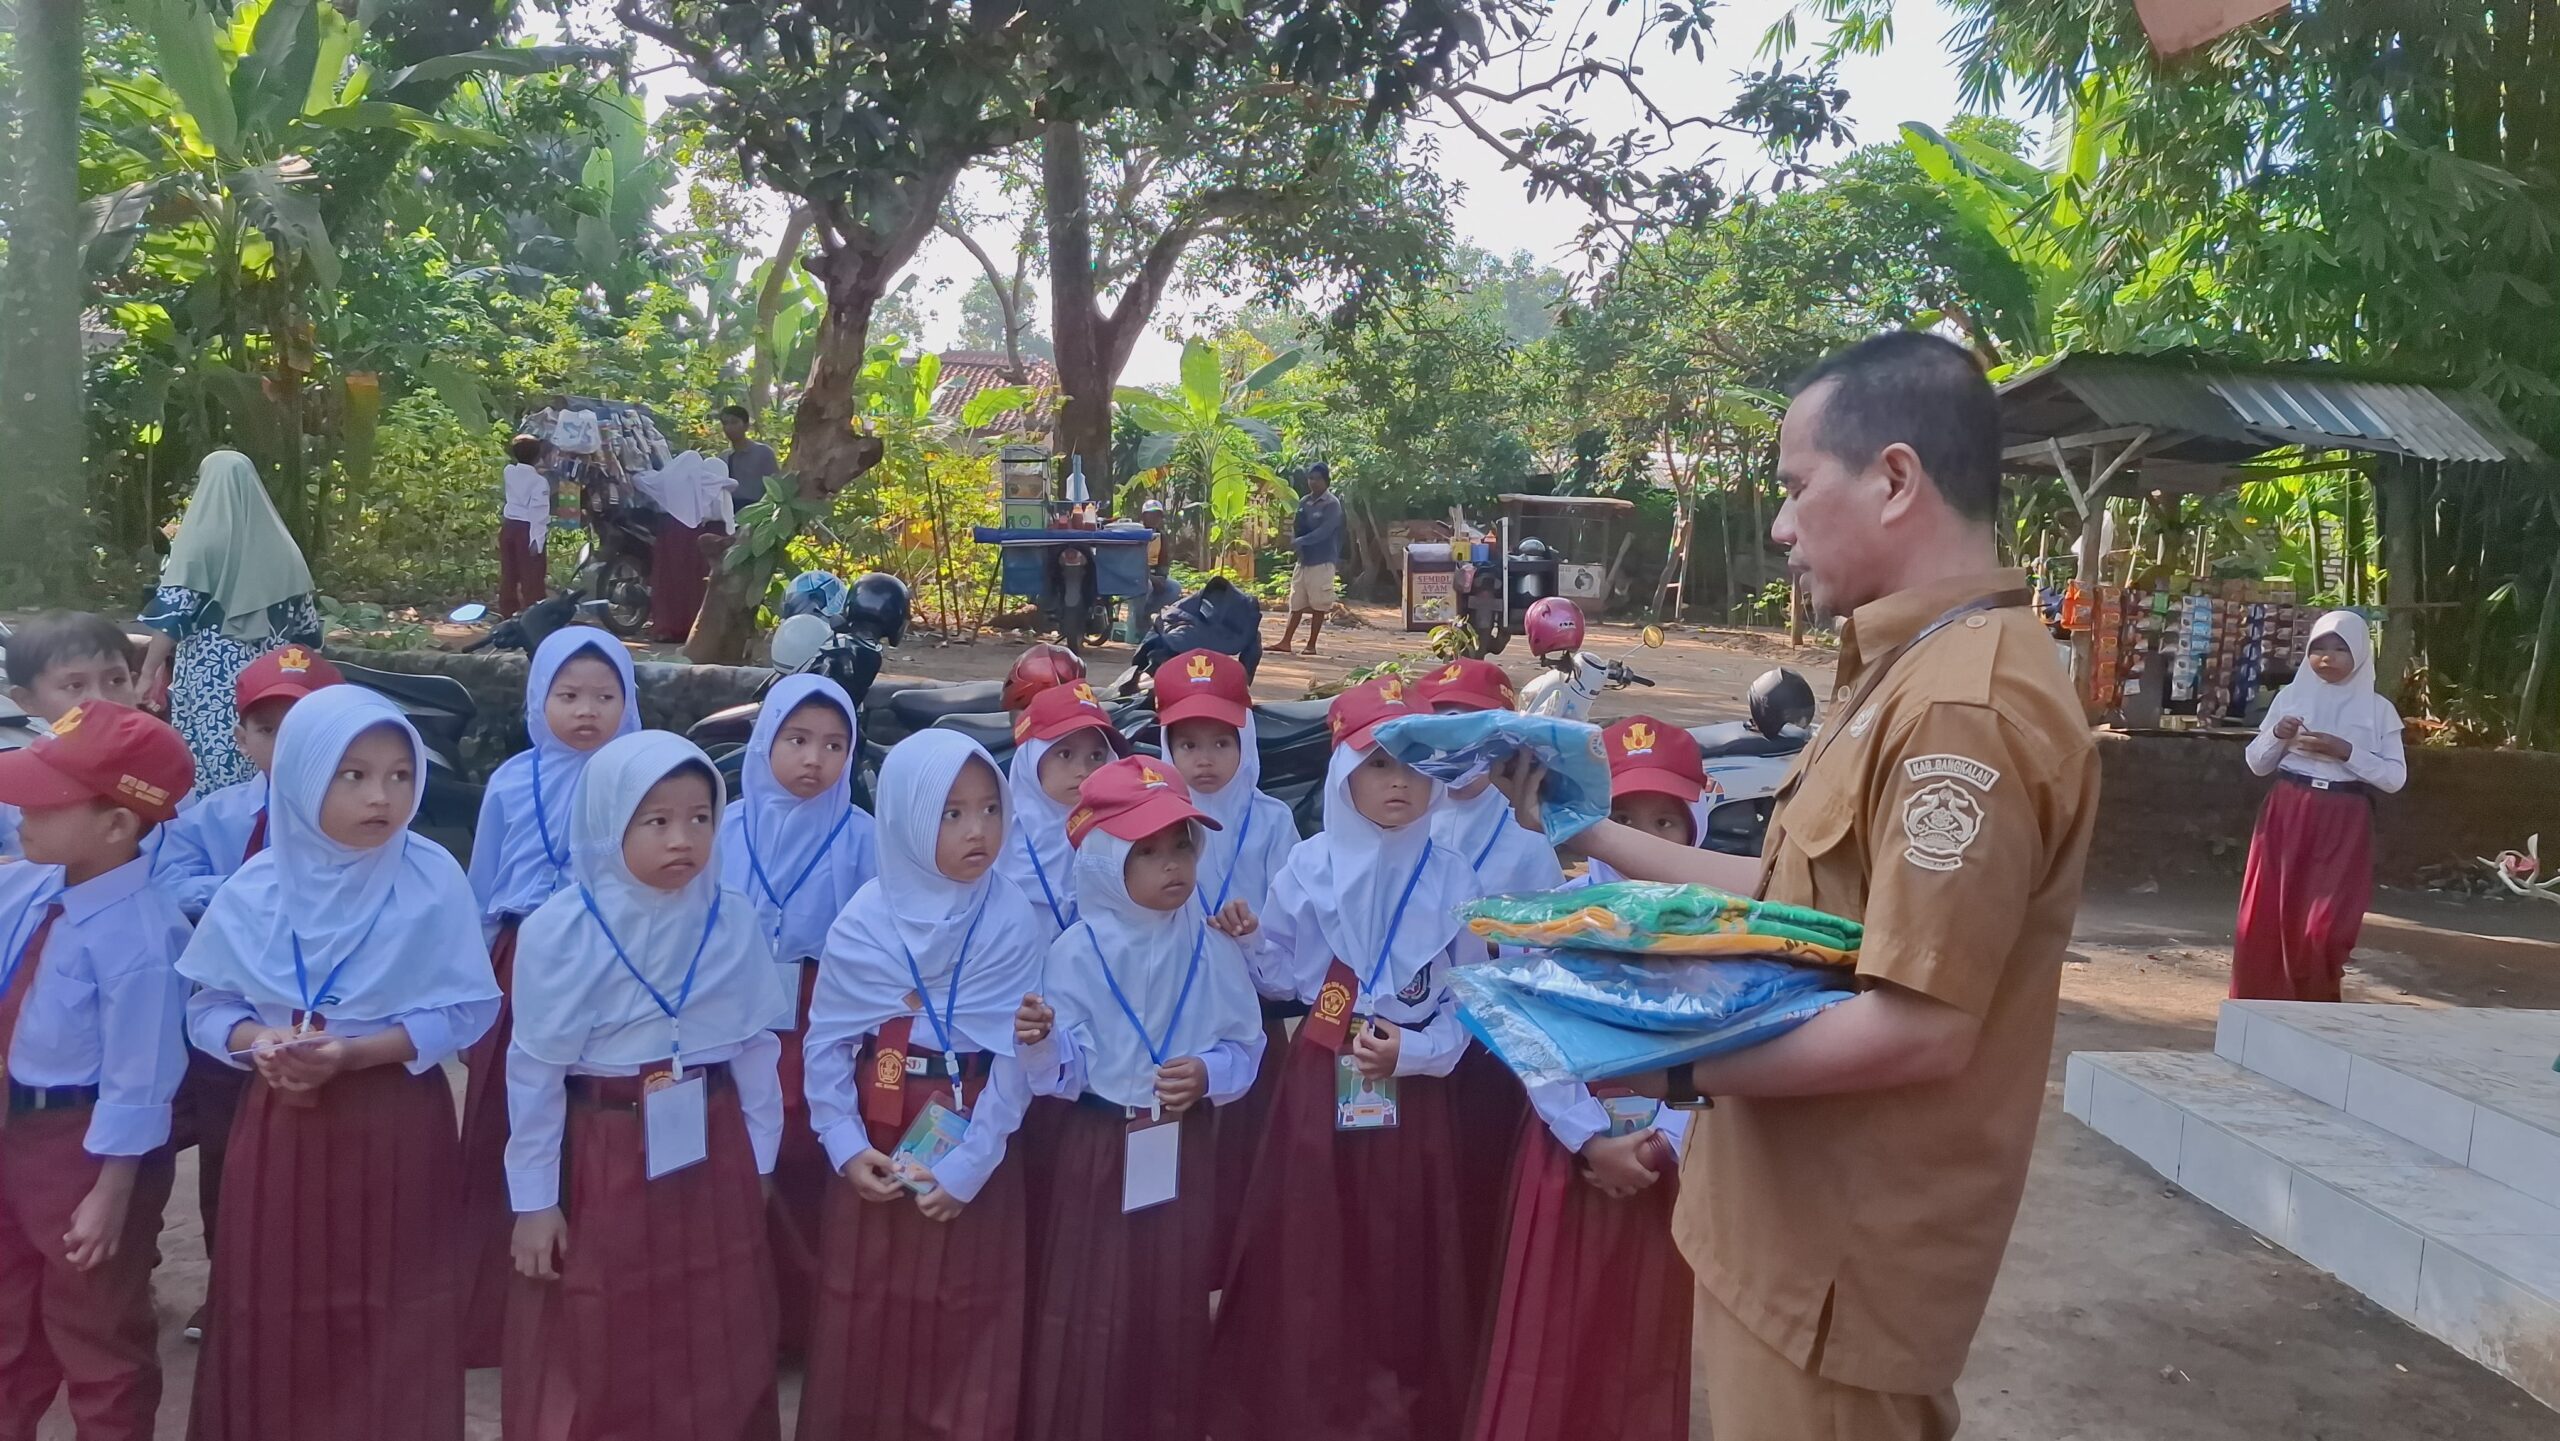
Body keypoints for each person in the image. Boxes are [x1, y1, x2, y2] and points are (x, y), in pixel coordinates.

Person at [1494, 331, 2098, 1440]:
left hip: (1843, 1255)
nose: (1777, 525)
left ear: (1895, 478)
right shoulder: (1908, 671)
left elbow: (1921, 1029)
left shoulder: (1964, 707)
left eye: (1792, 485)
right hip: (1782, 1223)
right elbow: (1789, 892)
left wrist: (1651, 1057)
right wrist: (1589, 835)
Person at [177, 686, 500, 1441]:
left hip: (394, 1119)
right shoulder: (257, 885)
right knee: (275, 1297)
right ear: (300, 775)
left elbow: (460, 1012)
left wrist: (355, 1051)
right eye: (351, 774)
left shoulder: (431, 879)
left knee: (399, 1304)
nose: (381, 796)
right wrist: (260, 1040)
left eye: (399, 774)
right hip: (283, 1122)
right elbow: (206, 1007)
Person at [1209, 676, 1486, 1441]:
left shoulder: (1454, 878)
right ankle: (1308, 1400)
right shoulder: (1309, 867)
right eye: (1378, 766)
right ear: (1343, 776)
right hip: (1319, 1075)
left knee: (1403, 1246)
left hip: (1412, 1087)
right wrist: (1247, 938)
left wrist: (1419, 1051)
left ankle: (1400, 1403)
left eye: (1416, 768)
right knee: (1311, 1242)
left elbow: (1469, 1001)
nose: (1399, 785)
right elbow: (1284, 979)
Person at [502, 732, 794, 1441]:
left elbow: (757, 1051)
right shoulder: (559, 930)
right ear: (608, 821)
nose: (682, 839)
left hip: (711, 1132)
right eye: (656, 820)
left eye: (700, 817)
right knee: (610, 1319)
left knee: (720, 1313)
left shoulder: (731, 916)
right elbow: (535, 1075)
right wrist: (535, 1202)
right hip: (609, 1141)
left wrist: (759, 1160)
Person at [794, 731, 1054, 1441]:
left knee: (969, 1302)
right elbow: (827, 1045)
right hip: (881, 1122)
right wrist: (845, 1145)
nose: (978, 831)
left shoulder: (1010, 918)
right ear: (907, 819)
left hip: (977, 1121)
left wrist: (973, 1162)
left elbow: (1016, 1057)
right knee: (869, 1300)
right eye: (951, 813)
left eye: (989, 808)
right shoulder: (863, 924)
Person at [1464, 714, 1700, 1441]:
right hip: (1564, 1166)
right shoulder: (1552, 923)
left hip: (1667, 1176)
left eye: (1666, 820)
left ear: (1699, 825)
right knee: (1548, 1330)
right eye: (1621, 817)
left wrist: (1665, 1140)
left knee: (1642, 1340)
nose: (1643, 840)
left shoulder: (1723, 936)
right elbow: (1535, 1044)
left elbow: (1724, 1048)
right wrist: (1589, 1137)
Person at [1017, 757, 1266, 1441]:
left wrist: (1208, 1074)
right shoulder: (1075, 952)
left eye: (1183, 844)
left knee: (1171, 1294)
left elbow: (1246, 1045)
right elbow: (1061, 1074)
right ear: (1104, 859)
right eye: (1147, 850)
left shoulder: (1211, 946)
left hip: (1181, 1145)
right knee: (1091, 1295)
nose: (1172, 865)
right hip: (1099, 1145)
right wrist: (1039, 1043)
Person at [0, 701, 193, 1441]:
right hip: (16, 1129)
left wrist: (111, 1190)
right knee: (9, 1316)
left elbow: (141, 1078)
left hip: (86, 1149)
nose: (21, 809)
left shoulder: (144, 936)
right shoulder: (31, 885)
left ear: (117, 824)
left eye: (45, 800)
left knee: (96, 1328)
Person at [457, 627, 641, 1367]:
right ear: (539, 699)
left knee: (599, 1120)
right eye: (568, 695)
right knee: (516, 1109)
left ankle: (601, 1294)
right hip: (522, 955)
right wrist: (473, 986)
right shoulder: (508, 782)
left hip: (616, 960)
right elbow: (481, 888)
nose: (587, 711)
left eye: (605, 695)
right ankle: (499, 1305)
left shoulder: (640, 779)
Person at [149, 643, 343, 1341]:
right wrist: (247, 891)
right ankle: (230, 1286)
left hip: (334, 1026)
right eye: (268, 729)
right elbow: (170, 880)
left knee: (333, 1165)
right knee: (229, 1160)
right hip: (233, 1017)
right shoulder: (216, 816)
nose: (286, 745)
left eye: (305, 726)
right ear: (241, 737)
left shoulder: (370, 821)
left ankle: (327, 1295)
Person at [716, 673, 879, 1352]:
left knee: (812, 1147)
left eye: (834, 743)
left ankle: (807, 1319)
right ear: (765, 741)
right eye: (798, 739)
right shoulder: (723, 824)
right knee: (741, 1148)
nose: (814, 759)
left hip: (823, 1008)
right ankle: (742, 1311)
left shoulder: (861, 834)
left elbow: (876, 933)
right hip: (736, 1009)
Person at [1413, 655, 1561, 1328]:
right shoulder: (1405, 809)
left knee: (1474, 1190)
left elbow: (1550, 946)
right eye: (1441, 725)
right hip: (1411, 1038)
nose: (1457, 746)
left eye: (1473, 726)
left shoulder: (1530, 837)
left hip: (1488, 1048)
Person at [1153, 647, 1300, 1264]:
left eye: (1221, 741)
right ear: (1165, 747)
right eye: (1187, 744)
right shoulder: (1151, 823)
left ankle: (1244, 1284)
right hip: (1171, 1026)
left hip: (1255, 1024)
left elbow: (1293, 931)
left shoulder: (1271, 822)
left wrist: (1254, 932)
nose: (1205, 760)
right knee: (1178, 1175)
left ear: (1247, 742)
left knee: (1250, 1163)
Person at [2233, 610, 2407, 1002]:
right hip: (2288, 809)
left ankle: (2314, 1006)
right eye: (2319, 648)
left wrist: (2344, 751)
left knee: (2323, 928)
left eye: (2339, 649)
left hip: (2343, 817)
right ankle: (2258, 1004)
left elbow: (2394, 778)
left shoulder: (2379, 711)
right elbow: (2258, 763)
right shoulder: (2290, 698)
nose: (2327, 658)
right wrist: (2278, 735)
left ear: (2361, 653)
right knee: (2266, 915)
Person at [138, 451, 325, 795]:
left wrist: (148, 673)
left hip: (211, 679)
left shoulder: (197, 545)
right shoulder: (285, 549)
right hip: (274, 678)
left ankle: (224, 836)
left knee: (211, 762)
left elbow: (172, 619)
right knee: (266, 754)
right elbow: (309, 634)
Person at [0, 613, 142, 860]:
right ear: (26, 700)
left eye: (117, 680)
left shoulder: (164, 774)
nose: (100, 700)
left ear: (136, 683)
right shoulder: (9, 778)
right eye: (74, 686)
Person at [997, 682, 1130, 933]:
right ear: (1030, 759)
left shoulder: (1119, 834)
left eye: (1096, 756)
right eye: (1065, 754)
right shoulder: (998, 838)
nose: (1083, 772)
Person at [1272, 463, 1343, 656]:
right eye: (1311, 478)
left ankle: (1311, 645)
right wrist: (1295, 540)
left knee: (1319, 603)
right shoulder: (1304, 502)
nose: (1313, 482)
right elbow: (1297, 525)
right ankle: (1285, 642)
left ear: (1326, 481)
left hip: (1322, 560)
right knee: (1296, 602)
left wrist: (1302, 541)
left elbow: (1325, 531)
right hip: (1304, 560)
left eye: (1318, 478)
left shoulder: (1332, 504)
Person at [500, 434, 552, 618]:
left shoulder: (509, 471)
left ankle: (508, 612)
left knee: (509, 572)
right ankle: (534, 614)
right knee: (532, 577)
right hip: (527, 529)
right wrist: (537, 540)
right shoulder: (539, 482)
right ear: (538, 457)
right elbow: (539, 513)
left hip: (509, 527)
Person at [720, 405, 781, 510]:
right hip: (728, 509)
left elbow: (775, 487)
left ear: (746, 426)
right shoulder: (724, 457)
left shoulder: (764, 453)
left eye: (734, 422)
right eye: (725, 423)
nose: (729, 427)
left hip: (756, 509)